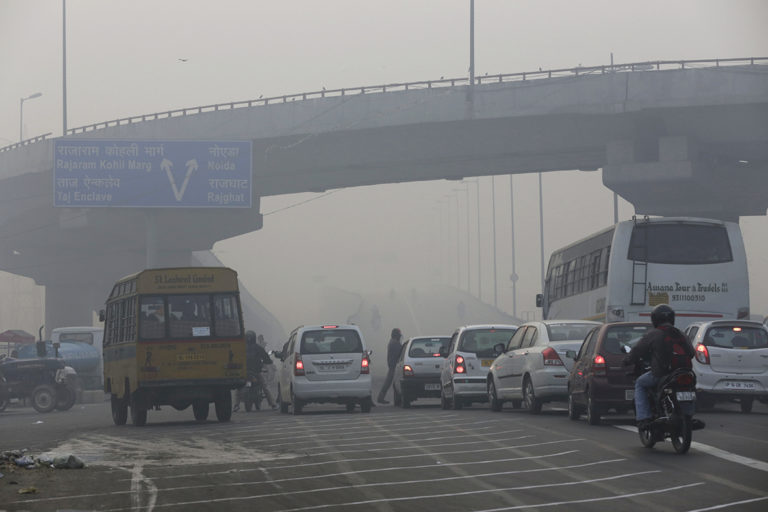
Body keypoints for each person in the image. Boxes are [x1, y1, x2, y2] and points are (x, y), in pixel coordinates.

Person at [624, 304, 695, 428]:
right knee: (690, 388)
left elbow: (637, 351)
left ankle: (643, 418)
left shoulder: (654, 334)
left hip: (662, 374)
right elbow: (692, 353)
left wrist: (627, 361)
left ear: (655, 319)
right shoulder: (681, 334)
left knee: (640, 383)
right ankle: (688, 414)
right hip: (684, 372)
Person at [234, 331, 277, 411]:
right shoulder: (258, 348)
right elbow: (266, 358)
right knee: (265, 387)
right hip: (256, 372)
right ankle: (273, 404)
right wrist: (269, 362)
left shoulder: (241, 347)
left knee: (239, 387)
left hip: (245, 372)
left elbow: (236, 357)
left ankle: (236, 405)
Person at [376, 328, 403, 404]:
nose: (399, 337)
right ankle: (380, 398)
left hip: (392, 365)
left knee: (391, 382)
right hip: (393, 366)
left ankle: (381, 398)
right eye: (399, 335)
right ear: (396, 335)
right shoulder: (395, 343)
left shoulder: (392, 342)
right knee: (389, 382)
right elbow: (400, 352)